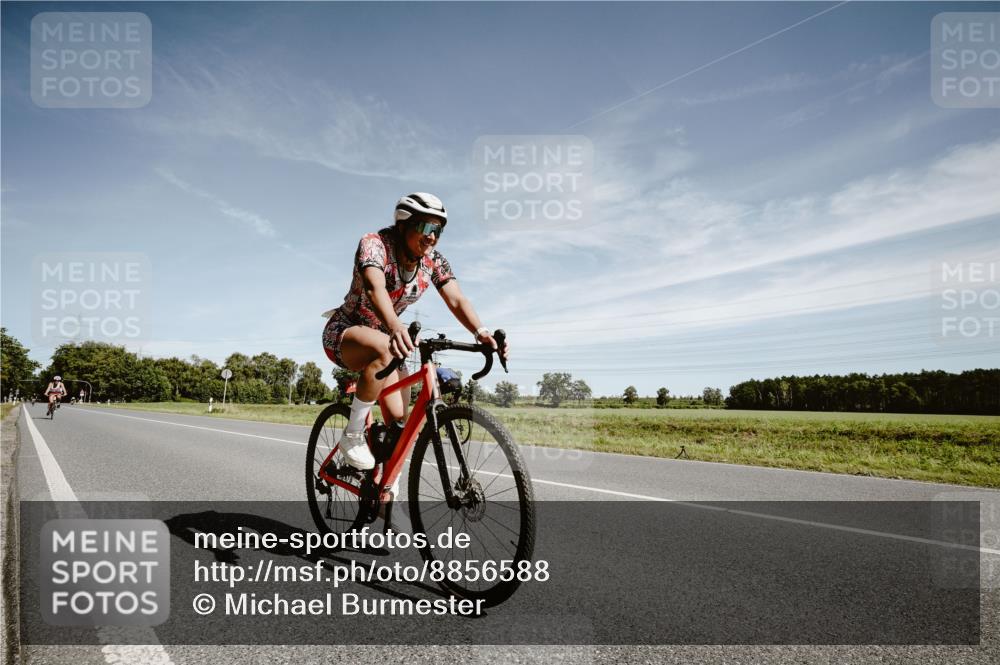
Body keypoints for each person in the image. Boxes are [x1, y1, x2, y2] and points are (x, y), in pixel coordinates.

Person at [322, 193, 508, 474]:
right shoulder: (375, 244)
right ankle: (352, 434)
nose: (431, 236)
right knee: (384, 347)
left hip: (389, 340)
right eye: (425, 227)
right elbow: (374, 287)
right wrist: (396, 326)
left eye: (438, 230)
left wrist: (481, 332)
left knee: (399, 424)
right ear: (402, 226)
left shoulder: (433, 261)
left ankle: (386, 490)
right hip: (345, 331)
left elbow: (456, 299)